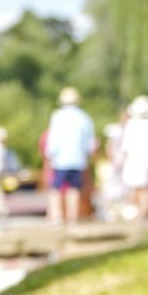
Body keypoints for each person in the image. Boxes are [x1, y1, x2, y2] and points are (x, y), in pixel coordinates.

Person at [44, 87, 96, 224]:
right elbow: (90, 143)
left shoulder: (58, 116)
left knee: (55, 189)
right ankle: (72, 218)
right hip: (78, 159)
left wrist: (49, 154)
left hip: (61, 159)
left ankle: (57, 217)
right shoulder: (85, 118)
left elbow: (53, 140)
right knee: (74, 189)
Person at [119, 96, 148, 219]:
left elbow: (125, 146)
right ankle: (145, 209)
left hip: (134, 159)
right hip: (147, 159)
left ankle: (139, 210)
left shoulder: (131, 124)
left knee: (135, 187)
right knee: (145, 187)